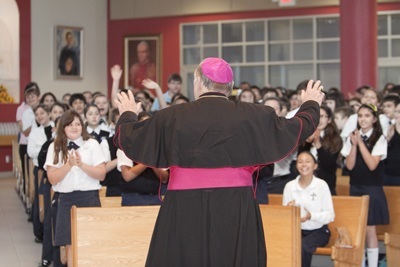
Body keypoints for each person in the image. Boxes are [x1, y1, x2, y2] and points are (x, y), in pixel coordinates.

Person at [113, 57, 324, 267]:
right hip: (236, 204)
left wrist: (128, 114)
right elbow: (297, 127)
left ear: (198, 82)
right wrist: (311, 104)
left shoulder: (172, 116)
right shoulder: (253, 115)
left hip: (184, 205)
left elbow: (127, 138)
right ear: (230, 87)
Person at [45, 110, 106, 266]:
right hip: (65, 200)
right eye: (70, 124)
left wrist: (81, 165)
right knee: (68, 245)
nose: (74, 127)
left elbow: (101, 174)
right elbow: (52, 178)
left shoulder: (92, 144)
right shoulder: (55, 146)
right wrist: (69, 165)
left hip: (89, 198)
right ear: (63, 127)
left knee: (91, 241)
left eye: (78, 124)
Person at [341, 104, 389, 267]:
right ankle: (360, 263)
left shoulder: (379, 138)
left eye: (367, 116)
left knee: (369, 230)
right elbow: (349, 166)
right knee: (358, 230)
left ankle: (373, 264)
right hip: (356, 186)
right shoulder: (351, 136)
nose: (363, 119)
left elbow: (372, 165)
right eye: (360, 116)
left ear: (374, 119)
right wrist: (354, 144)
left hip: (372, 188)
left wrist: (361, 144)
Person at [283, 151, 335, 267]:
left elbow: (330, 215)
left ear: (315, 166)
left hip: (319, 231)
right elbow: (285, 217)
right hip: (296, 231)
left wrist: (311, 216)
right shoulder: (290, 186)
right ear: (296, 165)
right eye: (300, 162)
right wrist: (289, 211)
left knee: (303, 246)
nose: (303, 165)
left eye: (307, 161)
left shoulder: (321, 185)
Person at [384, 101, 400, 185]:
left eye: (399, 112)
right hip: (389, 174)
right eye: (396, 111)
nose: (396, 114)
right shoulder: (390, 128)